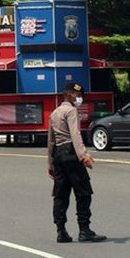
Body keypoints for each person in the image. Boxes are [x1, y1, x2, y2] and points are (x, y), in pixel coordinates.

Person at [47, 81, 106, 243]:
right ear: (69, 95)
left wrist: (50, 164)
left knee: (61, 194)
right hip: (71, 154)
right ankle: (84, 230)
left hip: (59, 155)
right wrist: (84, 155)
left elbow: (51, 141)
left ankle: (61, 230)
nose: (79, 98)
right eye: (77, 95)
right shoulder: (71, 111)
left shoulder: (55, 113)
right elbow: (75, 135)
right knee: (84, 192)